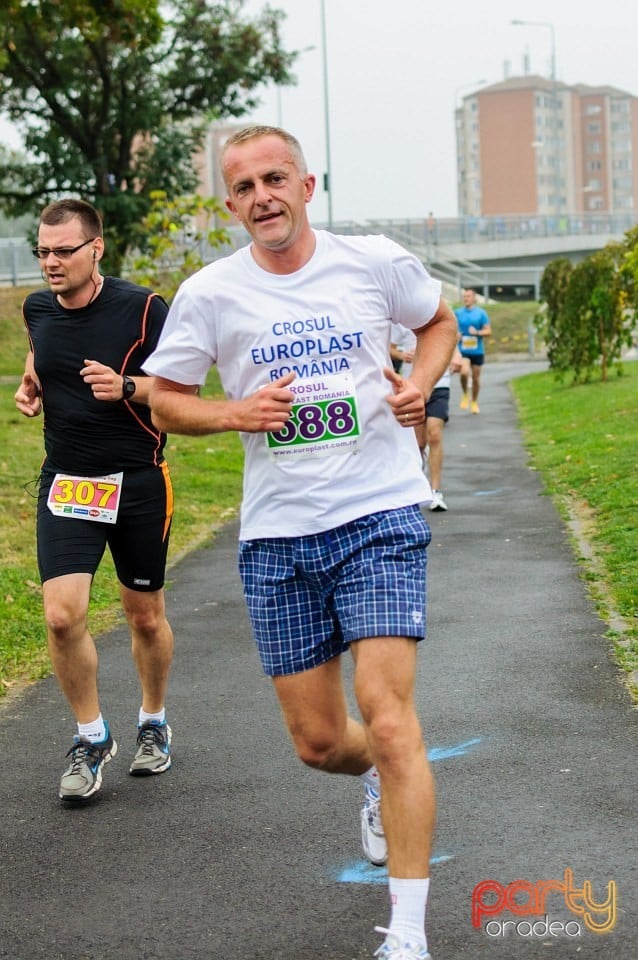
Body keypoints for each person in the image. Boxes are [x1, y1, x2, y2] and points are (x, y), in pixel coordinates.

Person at [144, 125, 458, 960]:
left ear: (308, 185)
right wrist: (232, 412)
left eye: (274, 180)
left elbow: (438, 324)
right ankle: (369, 783)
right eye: (244, 188)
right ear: (229, 205)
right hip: (279, 534)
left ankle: (409, 936)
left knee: (391, 723)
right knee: (321, 742)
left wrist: (419, 384)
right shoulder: (210, 293)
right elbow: (165, 398)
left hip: (379, 514)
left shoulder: (371, 261)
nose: (262, 198)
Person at [14, 199, 175, 802]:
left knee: (145, 615)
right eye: (43, 251)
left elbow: (185, 387)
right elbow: (42, 351)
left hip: (135, 480)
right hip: (70, 482)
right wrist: (32, 383)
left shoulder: (143, 309)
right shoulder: (37, 308)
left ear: (96, 249)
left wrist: (127, 386)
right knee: (60, 615)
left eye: (63, 251)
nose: (51, 263)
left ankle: (153, 722)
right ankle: (91, 735)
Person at [391, 325, 462, 512]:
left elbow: (449, 337)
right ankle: (418, 483)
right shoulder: (400, 322)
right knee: (419, 443)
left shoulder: (433, 314)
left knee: (435, 434)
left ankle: (436, 491)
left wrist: (456, 356)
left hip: (440, 384)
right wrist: (402, 356)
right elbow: (389, 348)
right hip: (412, 386)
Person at [455, 288, 491, 413]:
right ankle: (465, 394)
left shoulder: (481, 313)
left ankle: (474, 402)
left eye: (469, 296)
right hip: (463, 349)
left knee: (476, 378)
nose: (466, 298)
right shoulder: (458, 313)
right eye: (464, 296)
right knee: (464, 372)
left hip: (477, 350)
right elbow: (450, 328)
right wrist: (456, 334)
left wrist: (477, 332)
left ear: (474, 298)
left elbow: (488, 331)